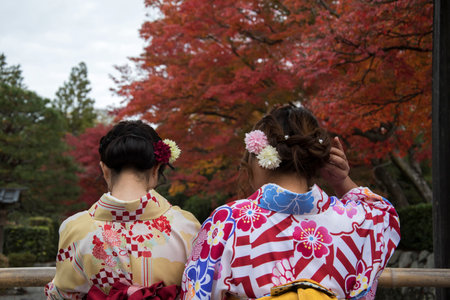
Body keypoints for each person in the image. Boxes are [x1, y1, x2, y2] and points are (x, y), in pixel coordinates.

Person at [181, 104, 400, 299]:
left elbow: (196, 292)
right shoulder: (356, 221)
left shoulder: (228, 221)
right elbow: (384, 215)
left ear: (260, 158)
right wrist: (343, 181)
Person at [45, 120, 201, 299]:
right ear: (156, 169)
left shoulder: (74, 228)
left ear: (104, 169)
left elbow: (63, 295)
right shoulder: (187, 227)